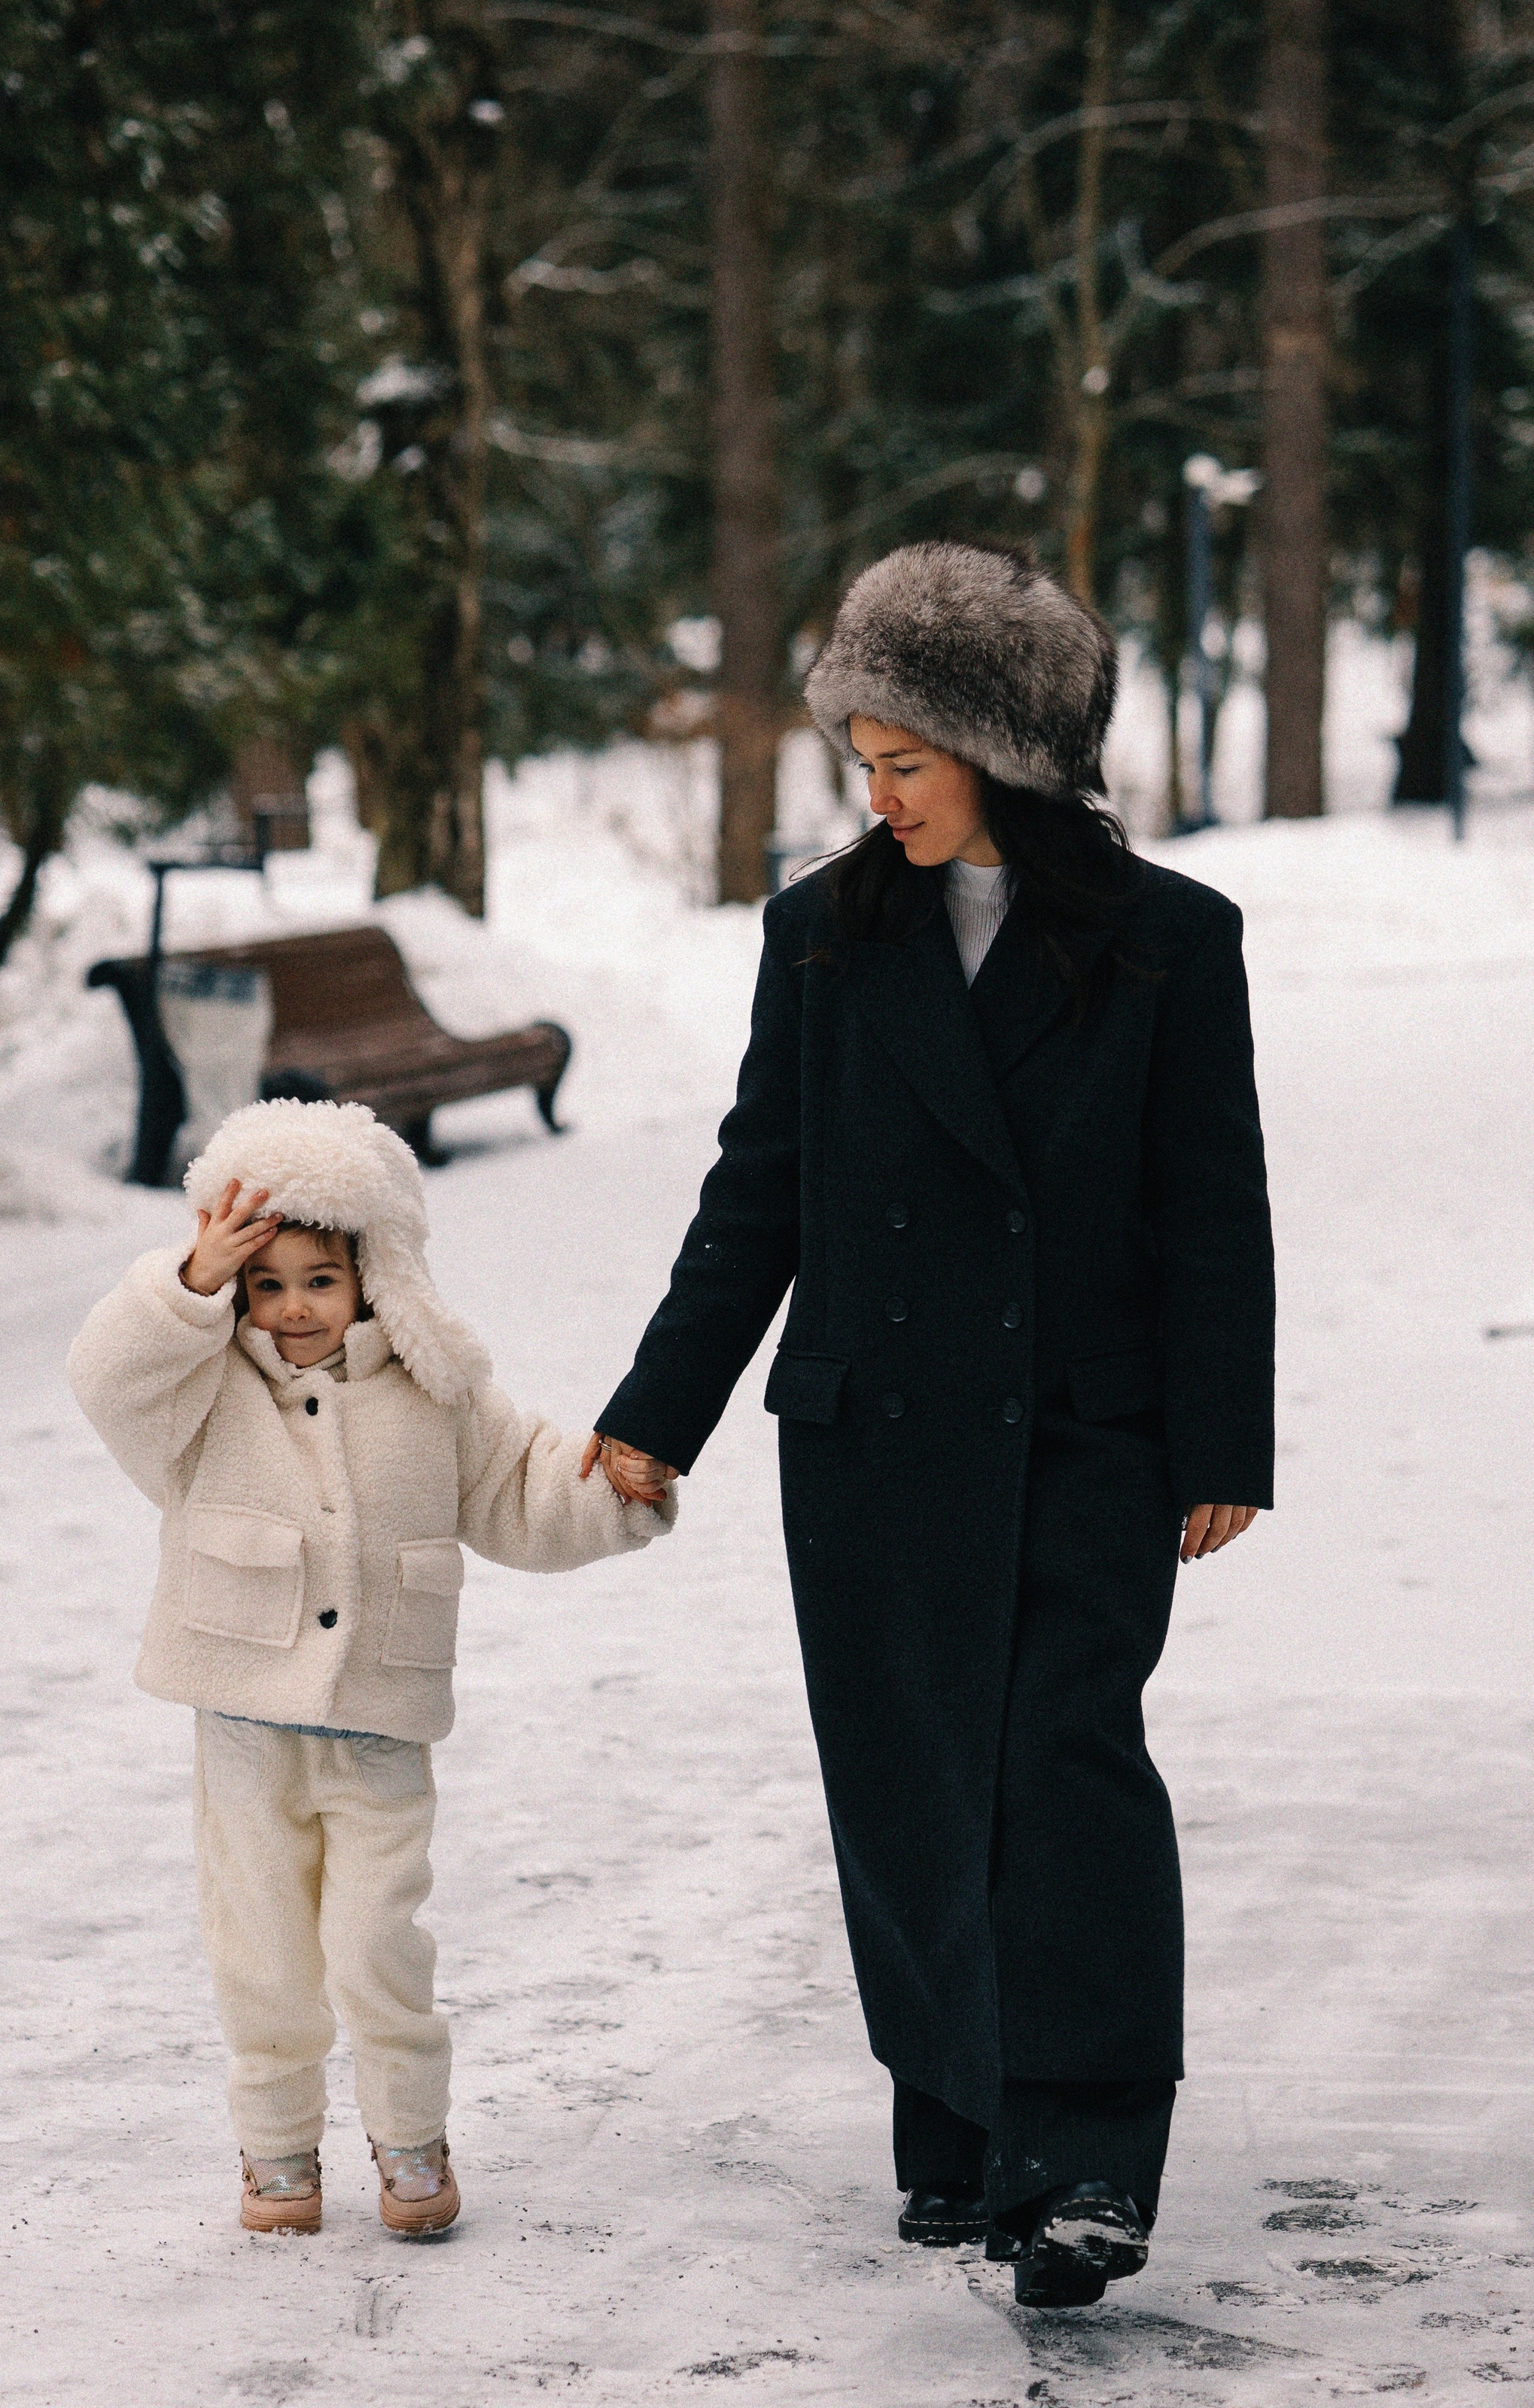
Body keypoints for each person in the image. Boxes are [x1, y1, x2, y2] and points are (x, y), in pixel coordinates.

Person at [587, 543, 1274, 2309]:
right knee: (905, 1782)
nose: (872, 795)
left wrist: (1219, 1441)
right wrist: (658, 1412)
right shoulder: (822, 933)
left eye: (904, 761)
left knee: (1058, 1768)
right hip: (875, 1429)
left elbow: (1210, 1204)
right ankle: (959, 2125)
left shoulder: (1165, 943)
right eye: (858, 761)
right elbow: (764, 1186)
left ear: (1011, 754)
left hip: (1083, 1434)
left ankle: (1086, 2160)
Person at [69, 1099, 674, 2239]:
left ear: (374, 1278)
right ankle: (277, 2151)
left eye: (322, 1281)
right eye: (269, 1284)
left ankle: (409, 2138)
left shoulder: (435, 1393)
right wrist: (193, 1277)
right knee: (258, 1944)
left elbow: (524, 1488)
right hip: (245, 1720)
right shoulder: (198, 1392)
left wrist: (615, 1493)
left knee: (376, 1942)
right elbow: (109, 1376)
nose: (293, 1308)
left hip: (380, 1719)